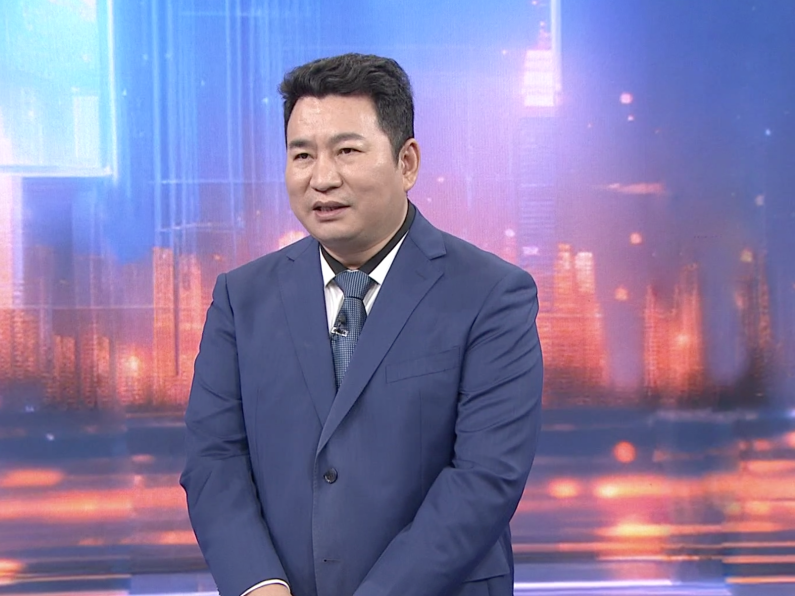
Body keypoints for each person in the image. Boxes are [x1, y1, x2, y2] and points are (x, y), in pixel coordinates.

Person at [180, 53, 543, 596]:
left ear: (407, 162)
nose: (322, 178)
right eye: (302, 155)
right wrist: (258, 584)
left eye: (347, 151)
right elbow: (214, 460)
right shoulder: (241, 298)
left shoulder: (492, 295)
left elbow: (485, 478)